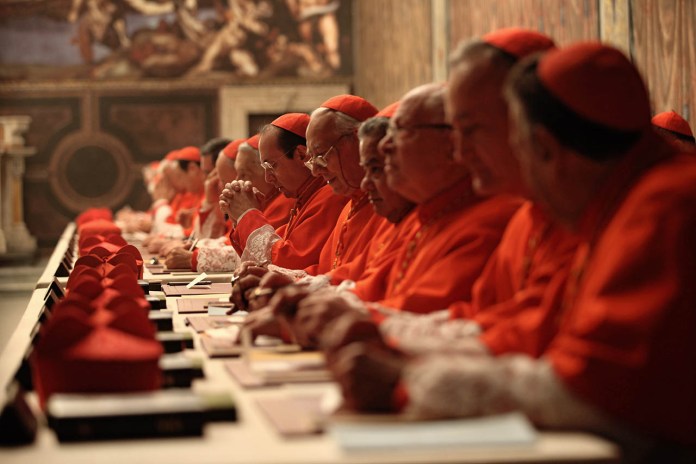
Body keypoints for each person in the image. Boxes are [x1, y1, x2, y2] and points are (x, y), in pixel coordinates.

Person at [328, 42, 696, 461]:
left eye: (471, 131)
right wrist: (388, 338)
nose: (461, 153)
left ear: (543, 146)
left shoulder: (662, 207)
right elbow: (499, 323)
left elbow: (597, 389)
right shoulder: (609, 202)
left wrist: (408, 378)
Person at [219, 113, 347, 269]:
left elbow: (287, 262)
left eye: (272, 165)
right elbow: (265, 253)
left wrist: (247, 214)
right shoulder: (304, 197)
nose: (268, 178)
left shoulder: (330, 196)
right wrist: (239, 217)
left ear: (301, 155)